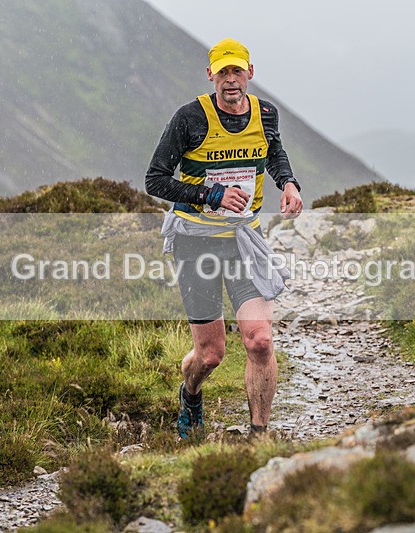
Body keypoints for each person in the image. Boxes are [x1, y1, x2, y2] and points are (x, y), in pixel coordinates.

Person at [145, 38, 303, 439]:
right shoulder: (189, 119)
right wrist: (209, 195)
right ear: (210, 75)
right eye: (222, 73)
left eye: (236, 71)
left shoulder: (266, 114)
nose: (230, 81)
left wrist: (288, 183)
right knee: (211, 354)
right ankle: (191, 393)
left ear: (250, 73)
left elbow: (273, 152)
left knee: (261, 341)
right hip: (195, 241)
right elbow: (155, 180)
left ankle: (258, 436)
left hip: (242, 240)